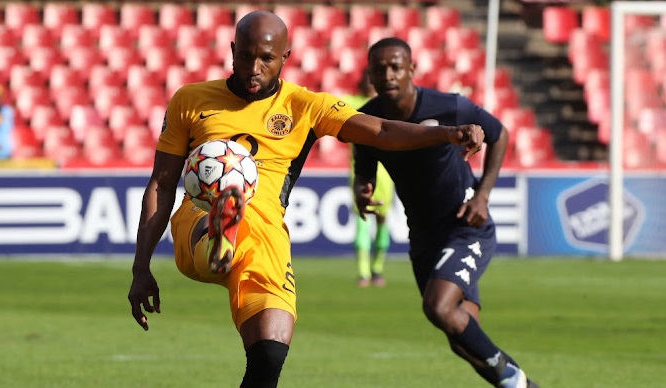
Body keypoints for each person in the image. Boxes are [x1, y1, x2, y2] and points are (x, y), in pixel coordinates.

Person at [127, 12, 484, 388]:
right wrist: (141, 268)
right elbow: (162, 184)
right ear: (232, 51)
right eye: (246, 56)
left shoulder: (305, 106)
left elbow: (379, 129)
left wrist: (445, 133)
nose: (254, 67)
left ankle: (227, 231)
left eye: (266, 58)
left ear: (286, 57)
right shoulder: (190, 99)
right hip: (196, 218)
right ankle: (220, 231)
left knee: (269, 353)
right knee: (217, 224)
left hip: (265, 238)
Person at [352, 37, 538, 388]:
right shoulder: (367, 119)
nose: (388, 74)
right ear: (370, 76)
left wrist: (482, 196)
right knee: (459, 331)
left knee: (438, 307)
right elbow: (364, 164)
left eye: (395, 66)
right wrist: (362, 187)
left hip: (465, 226)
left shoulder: (448, 106)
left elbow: (500, 134)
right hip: (422, 236)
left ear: (412, 70)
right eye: (380, 69)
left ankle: (516, 380)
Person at [341, 73, 395, 288]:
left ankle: (377, 268)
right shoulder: (352, 103)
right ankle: (363, 272)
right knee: (362, 221)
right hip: (360, 172)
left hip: (385, 174)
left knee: (382, 221)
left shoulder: (389, 105)